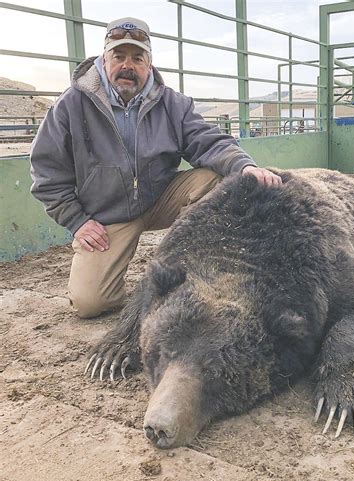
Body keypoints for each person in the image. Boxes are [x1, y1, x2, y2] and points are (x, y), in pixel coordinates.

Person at [30, 17, 282, 319]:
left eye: (138, 58)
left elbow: (208, 141)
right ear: (104, 58)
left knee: (215, 179)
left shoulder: (173, 103)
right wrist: (77, 221)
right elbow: (47, 171)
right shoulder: (71, 105)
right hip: (107, 214)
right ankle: (110, 279)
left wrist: (244, 167)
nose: (128, 65)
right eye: (119, 56)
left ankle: (201, 267)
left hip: (160, 196)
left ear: (149, 64)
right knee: (90, 303)